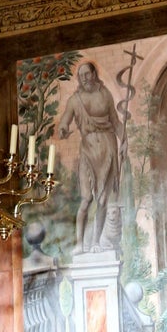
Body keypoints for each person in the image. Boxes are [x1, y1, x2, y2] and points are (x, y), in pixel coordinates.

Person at [59, 62, 125, 253]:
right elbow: (65, 120)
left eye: (87, 74)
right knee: (87, 198)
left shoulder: (105, 95)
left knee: (103, 200)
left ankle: (95, 242)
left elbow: (115, 121)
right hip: (88, 149)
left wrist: (125, 140)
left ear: (94, 73)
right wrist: (63, 129)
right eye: (81, 76)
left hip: (107, 146)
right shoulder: (75, 100)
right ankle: (80, 244)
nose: (85, 78)